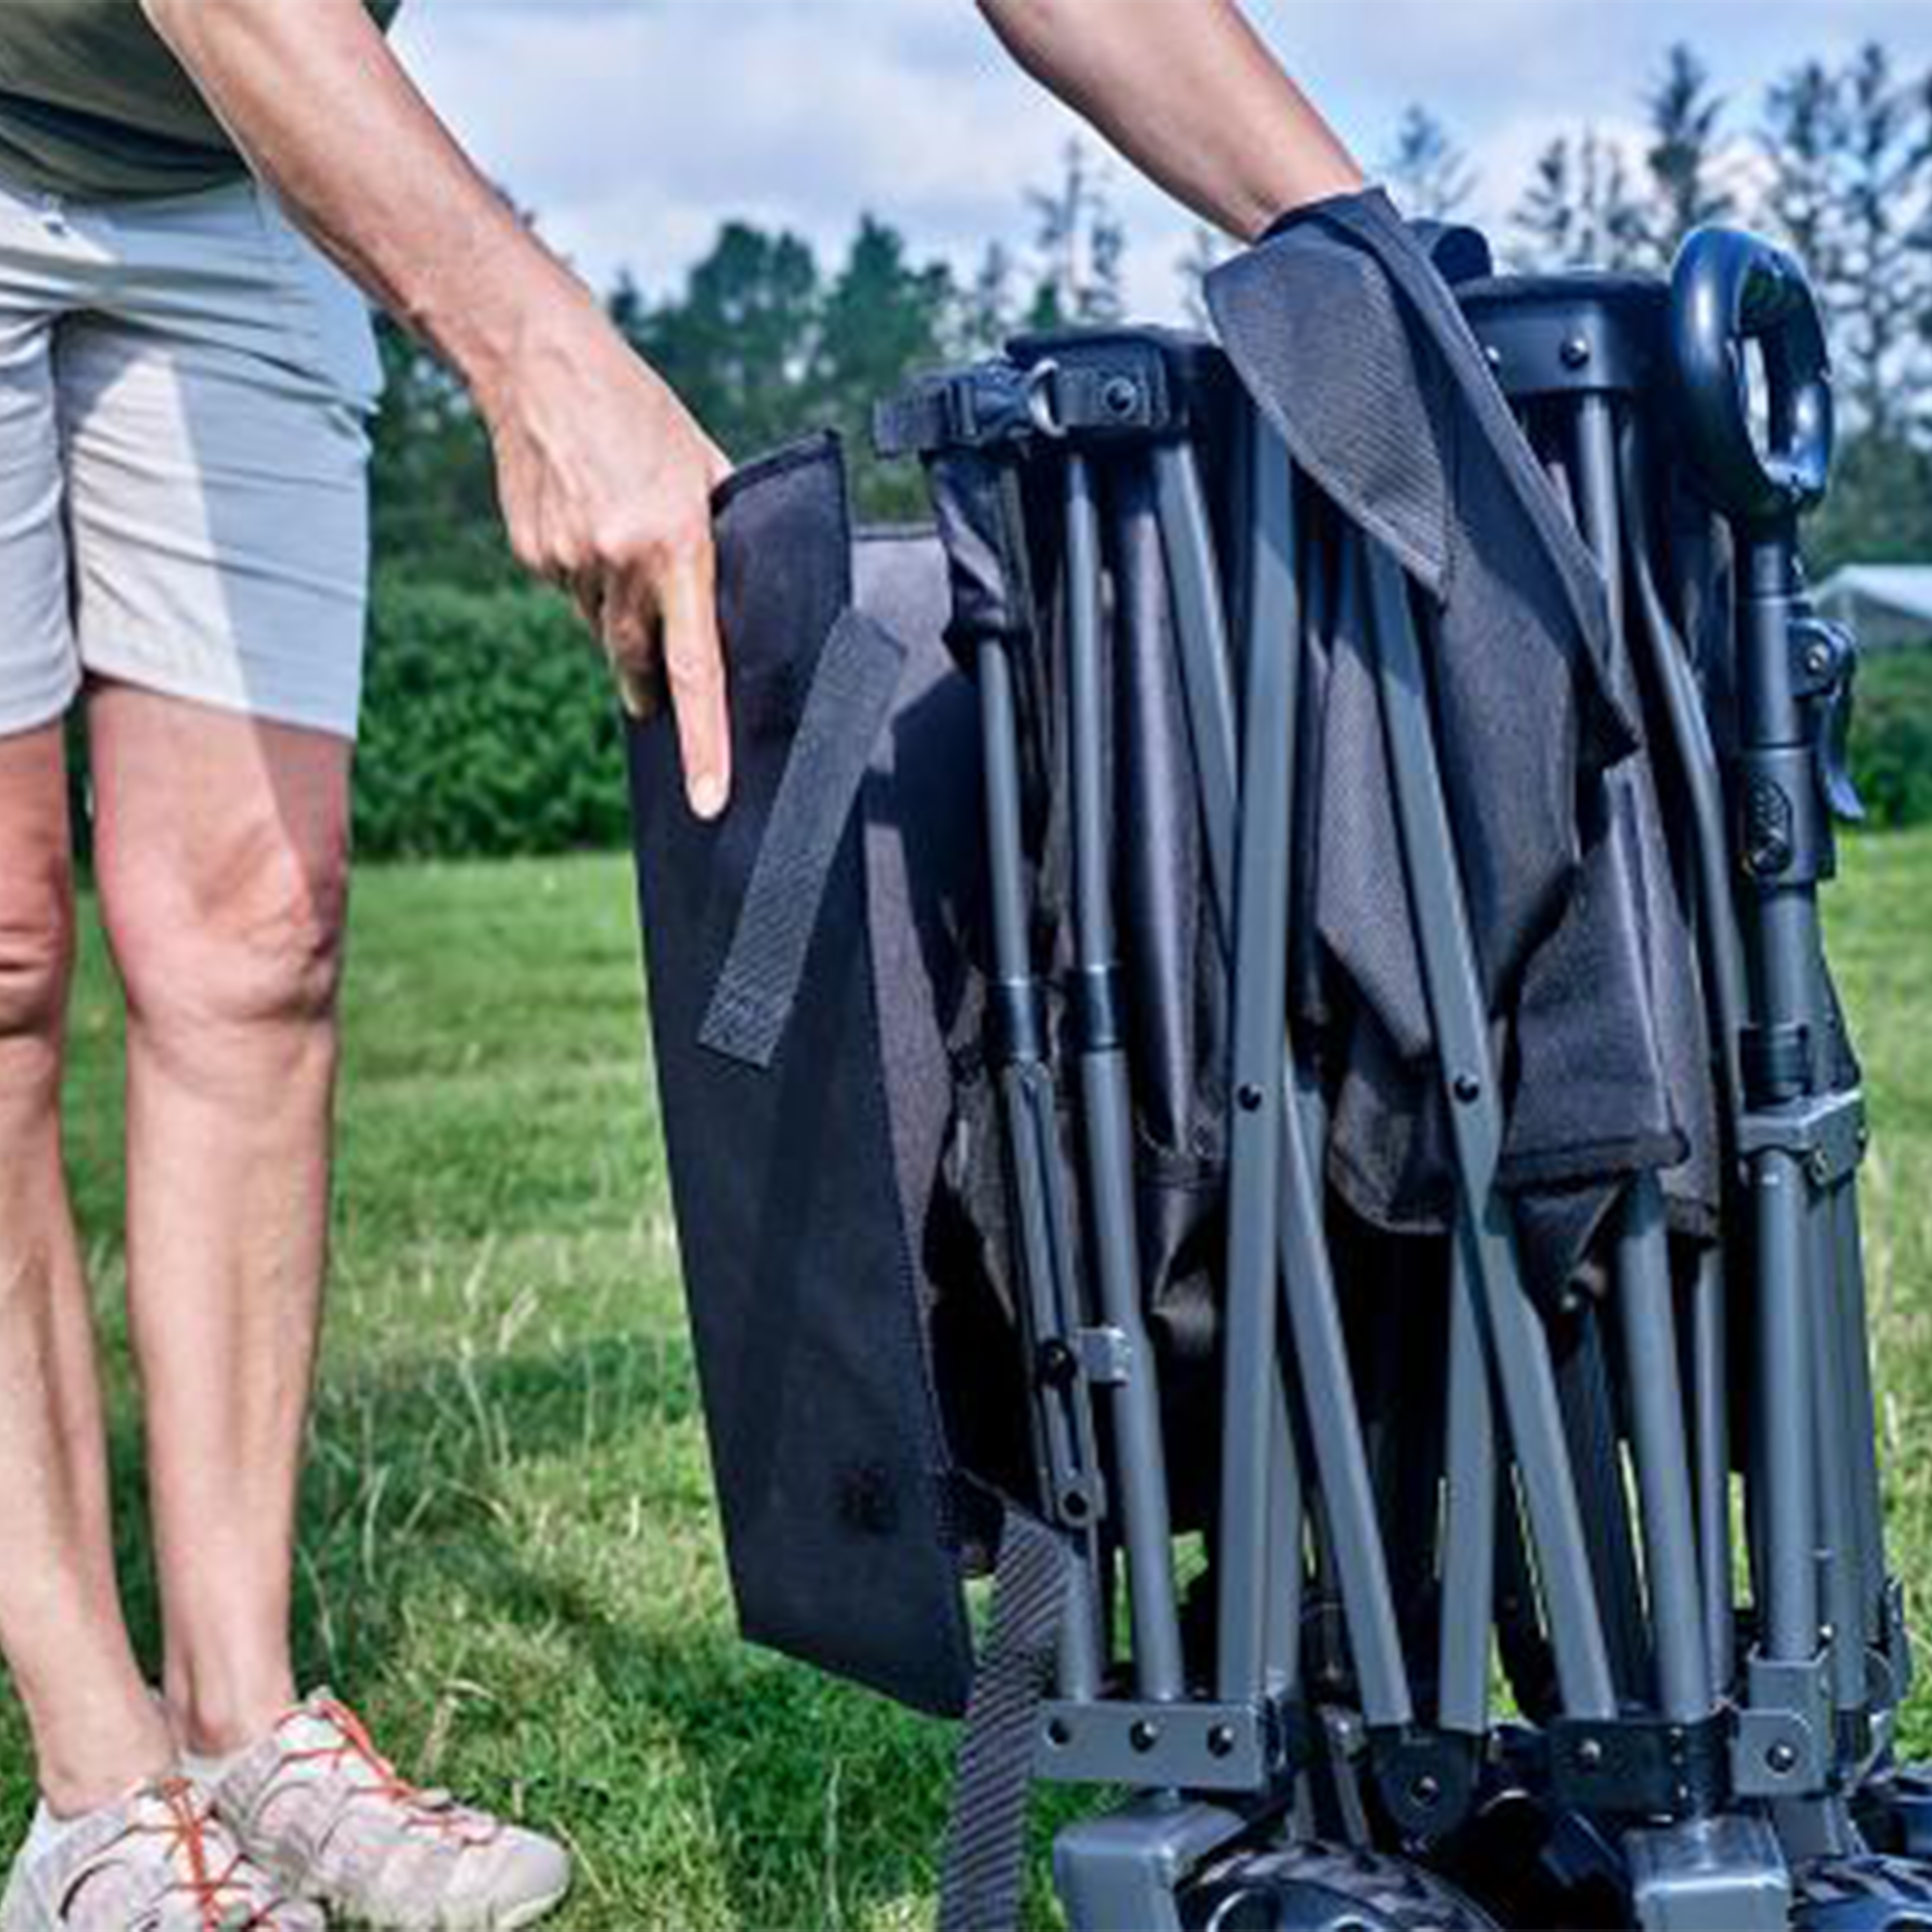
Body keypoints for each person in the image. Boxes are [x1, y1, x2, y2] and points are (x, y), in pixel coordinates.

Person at [0, 0, 1363, 1924]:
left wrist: (1366, 261)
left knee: (257, 935)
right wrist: (536, 343)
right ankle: (96, 1774)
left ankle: (238, 1721)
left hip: (229, 174)